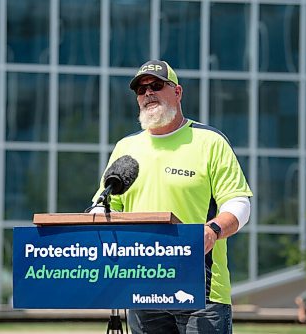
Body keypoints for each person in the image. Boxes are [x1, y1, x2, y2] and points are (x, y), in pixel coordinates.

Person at [92, 60, 253, 333]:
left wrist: (212, 230)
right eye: (141, 91)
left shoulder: (209, 141)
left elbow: (239, 203)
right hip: (142, 287)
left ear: (177, 93)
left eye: (156, 86)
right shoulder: (126, 147)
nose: (148, 94)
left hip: (201, 289)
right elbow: (104, 205)